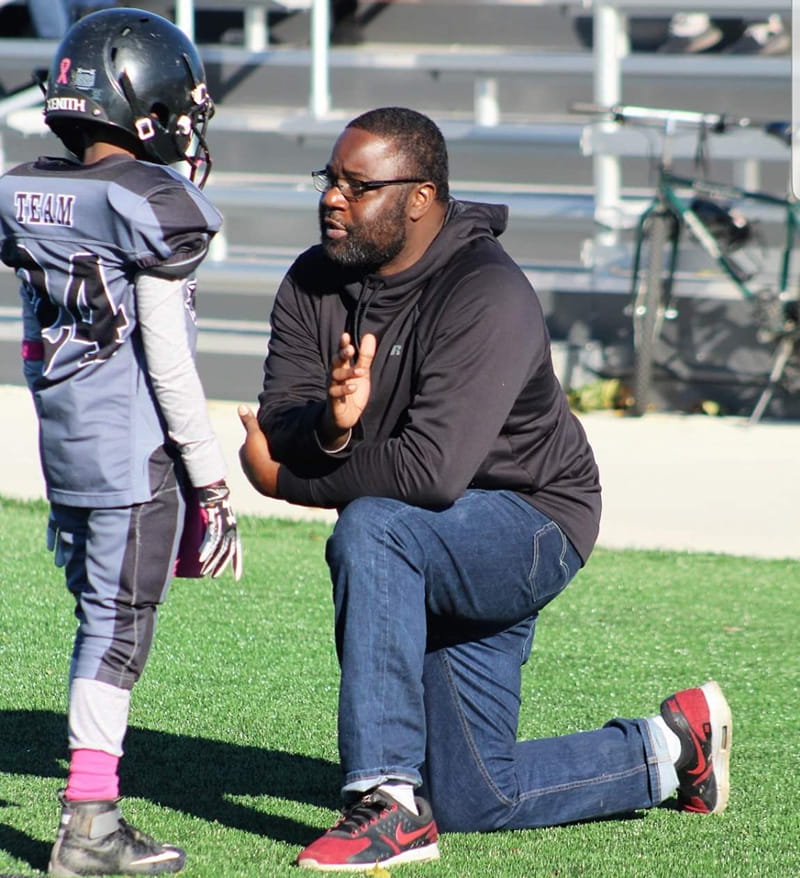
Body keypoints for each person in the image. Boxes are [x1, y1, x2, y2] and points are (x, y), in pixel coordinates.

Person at [238, 106, 732, 871]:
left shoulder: (487, 292)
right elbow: (280, 414)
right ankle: (671, 750)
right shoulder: (313, 280)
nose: (333, 197)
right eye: (330, 179)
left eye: (359, 185)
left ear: (420, 198)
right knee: (473, 797)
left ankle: (387, 800)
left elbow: (429, 474)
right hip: (429, 536)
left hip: (530, 521)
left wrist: (287, 479)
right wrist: (331, 428)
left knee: (372, 526)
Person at [0, 8, 242, 876]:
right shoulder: (151, 204)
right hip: (134, 454)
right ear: (148, 108)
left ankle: (91, 816)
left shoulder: (25, 190)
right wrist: (211, 481)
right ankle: (89, 822)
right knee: (116, 631)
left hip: (66, 446)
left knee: (98, 619)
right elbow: (168, 364)